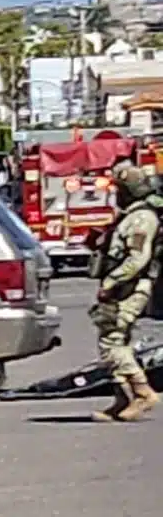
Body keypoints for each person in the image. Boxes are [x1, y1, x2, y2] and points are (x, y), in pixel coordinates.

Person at [88, 160, 163, 422]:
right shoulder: (130, 215)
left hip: (129, 288)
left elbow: (137, 259)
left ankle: (143, 392)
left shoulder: (142, 218)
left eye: (120, 189)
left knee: (111, 340)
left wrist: (111, 282)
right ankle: (123, 400)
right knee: (119, 341)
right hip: (123, 287)